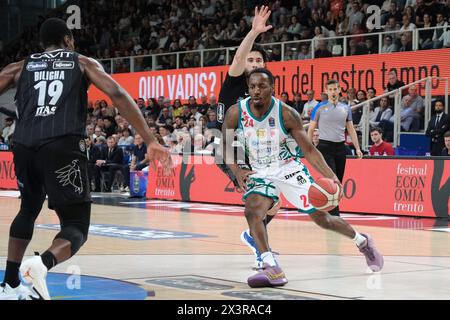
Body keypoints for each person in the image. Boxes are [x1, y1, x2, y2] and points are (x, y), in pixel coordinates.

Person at [0, 18, 172, 300]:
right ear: (68, 40)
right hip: (62, 146)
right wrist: (150, 139)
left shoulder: (19, 67)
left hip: (23, 146)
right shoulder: (81, 62)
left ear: (42, 45)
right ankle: (41, 265)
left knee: (27, 210)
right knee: (76, 225)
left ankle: (9, 284)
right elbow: (116, 93)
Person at [222, 68, 383, 288]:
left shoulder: (287, 113)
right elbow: (225, 144)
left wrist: (331, 176)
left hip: (288, 168)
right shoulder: (235, 112)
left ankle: (363, 242)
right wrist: (236, 170)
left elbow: (309, 150)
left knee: (322, 219)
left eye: (262, 86)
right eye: (252, 87)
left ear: (273, 88)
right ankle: (271, 267)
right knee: (252, 210)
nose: (256, 91)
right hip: (260, 171)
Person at [216, 6, 282, 269]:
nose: (254, 64)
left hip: (257, 152)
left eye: (258, 62)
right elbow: (239, 58)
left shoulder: (263, 94)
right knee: (257, 199)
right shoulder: (234, 81)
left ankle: (253, 236)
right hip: (230, 149)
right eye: (250, 60)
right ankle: (261, 252)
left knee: (274, 202)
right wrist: (253, 33)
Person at [308, 80, 363, 217]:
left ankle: (330, 211)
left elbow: (351, 129)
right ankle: (334, 215)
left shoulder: (346, 108)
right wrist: (309, 148)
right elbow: (311, 129)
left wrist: (357, 148)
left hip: (340, 148)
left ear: (339, 90)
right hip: (324, 148)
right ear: (326, 91)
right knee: (332, 180)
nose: (333, 92)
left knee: (338, 182)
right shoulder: (319, 107)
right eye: (330, 89)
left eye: (335, 89)